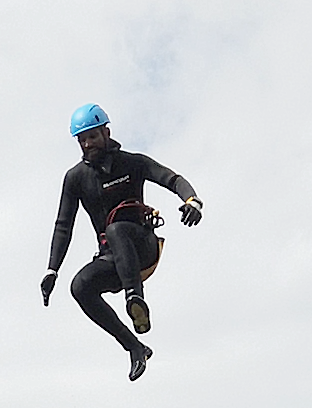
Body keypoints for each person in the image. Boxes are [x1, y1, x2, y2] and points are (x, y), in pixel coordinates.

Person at [42, 103, 202, 381]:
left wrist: (192, 201)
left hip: (142, 247)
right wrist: (52, 269)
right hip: (112, 258)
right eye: (82, 140)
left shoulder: (133, 162)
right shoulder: (75, 178)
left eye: (92, 136)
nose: (87, 143)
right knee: (80, 287)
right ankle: (135, 347)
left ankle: (134, 299)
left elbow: (171, 179)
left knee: (116, 229)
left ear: (106, 132)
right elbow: (63, 225)